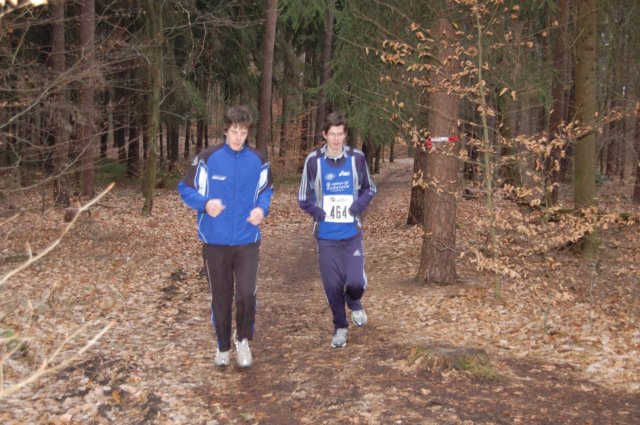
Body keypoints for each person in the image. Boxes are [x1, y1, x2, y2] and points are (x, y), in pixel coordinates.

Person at [178, 105, 273, 368]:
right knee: (221, 297)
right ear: (225, 130)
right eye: (234, 131)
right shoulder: (208, 158)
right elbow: (185, 188)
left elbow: (266, 189)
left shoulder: (258, 160)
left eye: (243, 132)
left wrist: (261, 208)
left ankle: (242, 340)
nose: (238, 137)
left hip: (247, 240)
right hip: (215, 241)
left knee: (246, 295)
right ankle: (222, 345)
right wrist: (204, 203)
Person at [298, 112, 376, 348]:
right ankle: (340, 327)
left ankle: (354, 301)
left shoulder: (356, 158)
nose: (336, 139)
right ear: (324, 135)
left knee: (355, 282)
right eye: (332, 134)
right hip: (326, 236)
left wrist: (358, 205)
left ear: (345, 134)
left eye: (340, 134)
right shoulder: (313, 161)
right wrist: (317, 211)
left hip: (351, 234)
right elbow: (303, 197)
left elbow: (370, 189)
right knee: (332, 286)